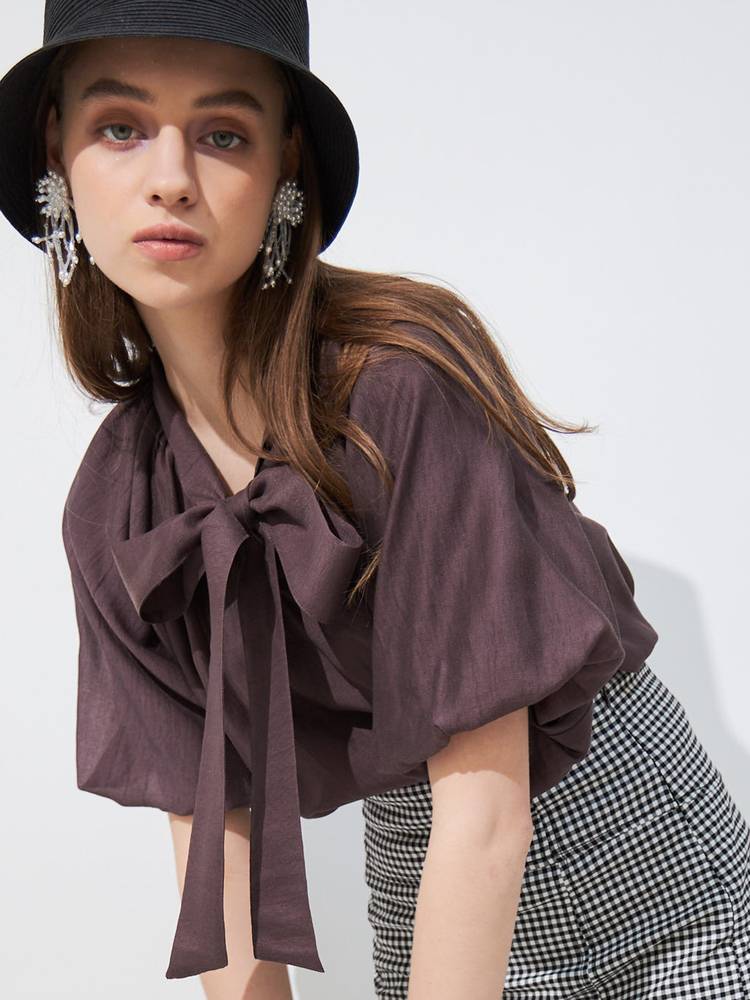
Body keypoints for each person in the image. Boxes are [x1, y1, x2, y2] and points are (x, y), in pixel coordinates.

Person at [1, 3, 748, 999]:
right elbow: (208, 831)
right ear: (57, 151)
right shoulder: (120, 510)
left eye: (223, 134)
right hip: (420, 854)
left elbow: (488, 809)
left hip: (637, 865)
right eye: (122, 127)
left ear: (285, 165)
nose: (171, 177)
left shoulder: (397, 391)